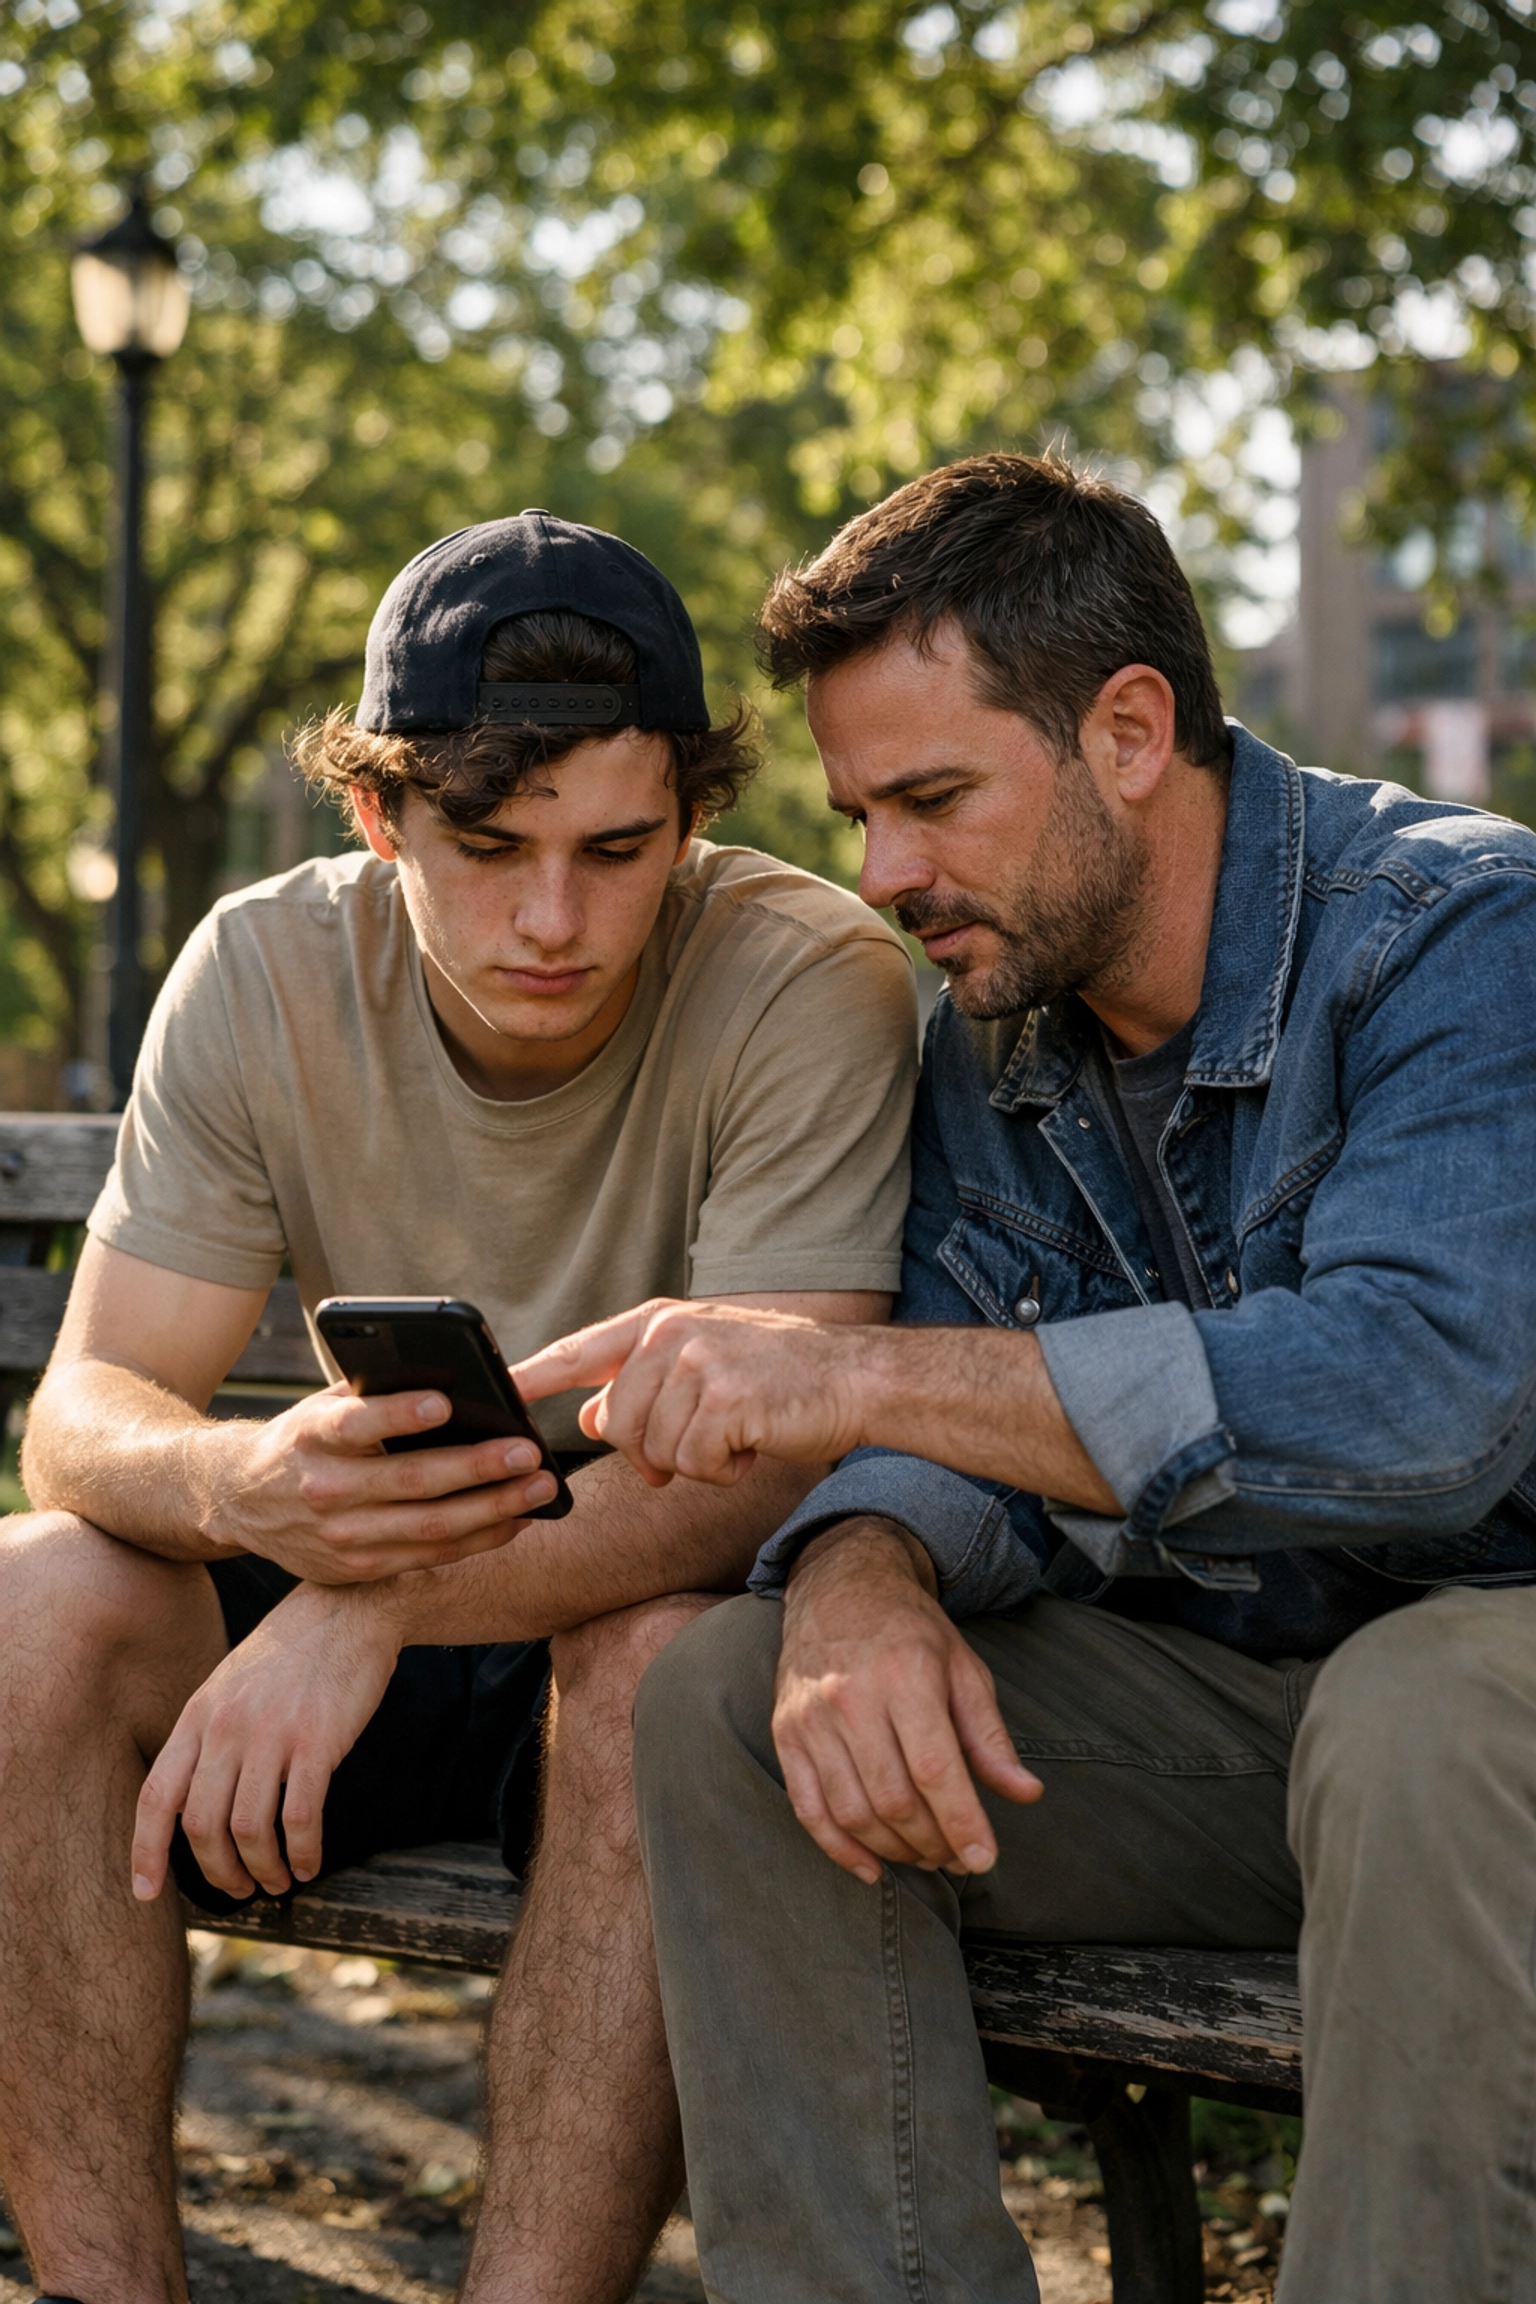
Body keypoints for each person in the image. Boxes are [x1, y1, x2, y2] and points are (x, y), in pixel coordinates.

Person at [520, 454, 1536, 2303]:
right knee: (742, 1697)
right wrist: (858, 1579)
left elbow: (1422, 1403)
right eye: (857, 815)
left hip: (1486, 1717)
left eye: (930, 800)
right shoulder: (995, 1030)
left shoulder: (1460, 935)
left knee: (1424, 1702)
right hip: (1258, 1740)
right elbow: (943, 1418)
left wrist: (854, 1390)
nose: (883, 876)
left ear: (1130, 731)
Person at [0, 511, 917, 2304]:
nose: (555, 919)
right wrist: (247, 1484)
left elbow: (750, 1477)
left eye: (619, 848)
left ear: (695, 821)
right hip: (347, 1564)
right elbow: (85, 1411)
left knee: (664, 1658)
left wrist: (371, 1605)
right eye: (486, 847)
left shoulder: (811, 980)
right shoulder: (262, 968)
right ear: (378, 816)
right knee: (34, 1601)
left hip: (623, 1608)